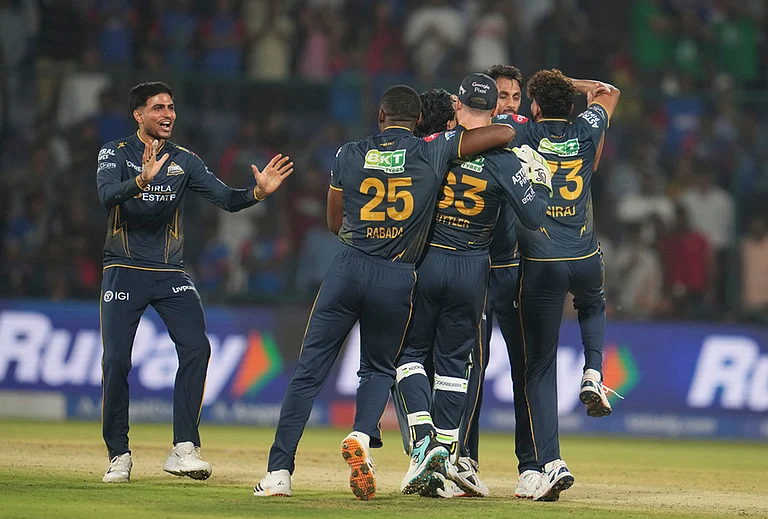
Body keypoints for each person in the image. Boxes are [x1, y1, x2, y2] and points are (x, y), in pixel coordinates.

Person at [253, 84, 516, 500]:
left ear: (380, 116)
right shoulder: (432, 150)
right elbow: (503, 135)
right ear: (416, 123)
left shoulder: (348, 153)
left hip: (348, 267)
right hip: (397, 276)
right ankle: (361, 436)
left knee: (308, 372)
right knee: (377, 368)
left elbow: (334, 220)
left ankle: (279, 472)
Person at [97, 81, 293, 483]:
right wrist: (140, 180)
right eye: (158, 108)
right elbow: (105, 196)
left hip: (170, 273)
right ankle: (119, 454)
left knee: (197, 348)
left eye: (171, 107)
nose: (168, 114)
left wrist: (257, 192)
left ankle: (183, 448)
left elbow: (226, 199)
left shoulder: (184, 160)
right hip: (124, 269)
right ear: (139, 115)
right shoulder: (114, 153)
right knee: (117, 360)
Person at [394, 74, 552, 498]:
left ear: (458, 107)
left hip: (427, 262)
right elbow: (536, 215)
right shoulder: (505, 159)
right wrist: (539, 178)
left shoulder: (437, 147)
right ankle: (445, 457)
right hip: (473, 269)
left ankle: (424, 443)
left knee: (408, 355)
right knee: (455, 365)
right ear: (494, 110)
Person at [495, 69, 620, 501]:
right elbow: (612, 93)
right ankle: (593, 370)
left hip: (541, 264)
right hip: (585, 258)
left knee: (539, 368)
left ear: (533, 106)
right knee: (594, 303)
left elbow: (497, 121)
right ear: (570, 107)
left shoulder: (522, 131)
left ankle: (550, 461)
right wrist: (577, 85)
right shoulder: (585, 130)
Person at [458, 64, 526, 479]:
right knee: (472, 367)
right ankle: (465, 456)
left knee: (525, 366)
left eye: (516, 97)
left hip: (515, 268)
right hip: (476, 266)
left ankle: (533, 465)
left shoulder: (525, 136)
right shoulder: (464, 140)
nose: (510, 105)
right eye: (502, 96)